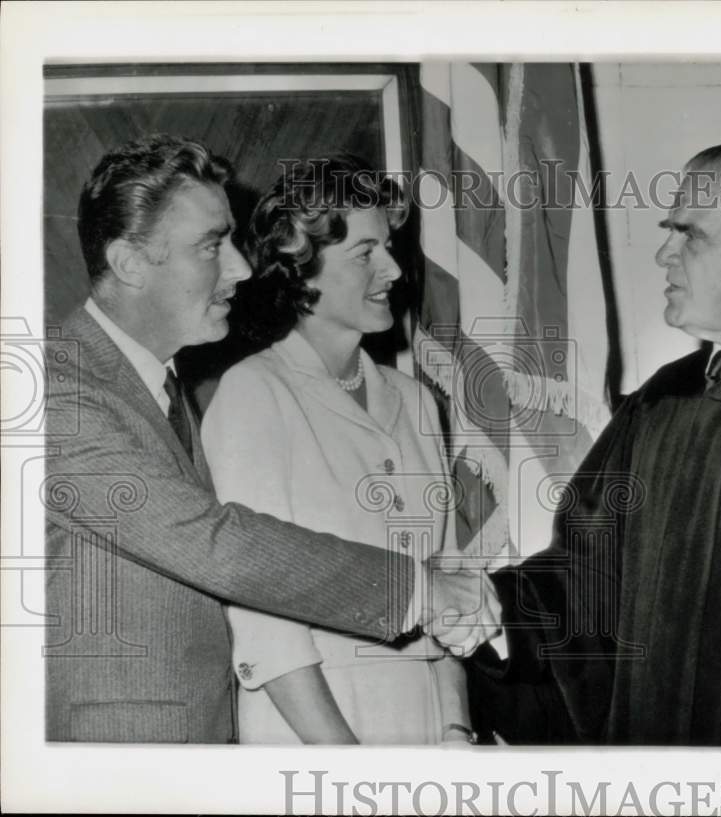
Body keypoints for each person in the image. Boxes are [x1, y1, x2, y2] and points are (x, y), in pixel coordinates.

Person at [44, 133, 490, 743]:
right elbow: (215, 545)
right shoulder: (54, 387)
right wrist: (417, 588)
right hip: (120, 753)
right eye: (211, 245)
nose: (241, 267)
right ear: (129, 264)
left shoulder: (161, 385)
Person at [456, 143, 721, 746]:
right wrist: (490, 609)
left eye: (689, 235)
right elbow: (585, 579)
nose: (662, 253)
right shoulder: (664, 398)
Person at [199, 156, 472, 745]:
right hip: (319, 732)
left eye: (390, 246)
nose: (394, 269)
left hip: (426, 725)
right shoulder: (254, 393)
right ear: (302, 270)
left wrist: (456, 727)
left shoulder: (416, 401)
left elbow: (445, 579)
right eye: (365, 253)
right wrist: (346, 767)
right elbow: (262, 616)